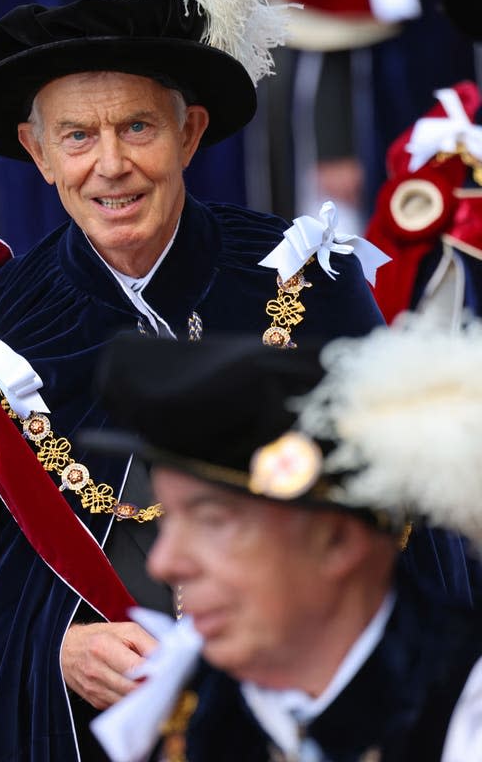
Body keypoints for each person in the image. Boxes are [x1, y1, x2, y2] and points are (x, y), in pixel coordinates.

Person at [0, 0, 389, 762]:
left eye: (138, 127)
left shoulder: (308, 285)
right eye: (76, 137)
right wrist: (56, 650)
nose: (111, 167)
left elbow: (401, 530)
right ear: (37, 152)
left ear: (190, 133)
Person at [87, 322, 482, 762]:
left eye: (212, 521)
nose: (164, 563)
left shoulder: (464, 717)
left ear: (336, 540)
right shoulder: (187, 709)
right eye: (170, 517)